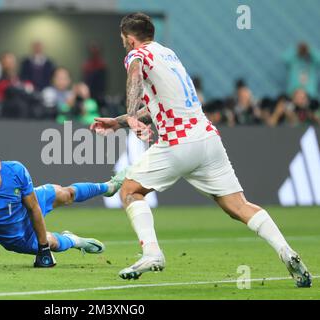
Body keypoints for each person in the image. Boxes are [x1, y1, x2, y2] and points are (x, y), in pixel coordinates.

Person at [90, 13, 312, 287]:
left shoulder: (138, 54)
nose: (124, 45)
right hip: (208, 140)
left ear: (130, 39)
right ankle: (285, 251)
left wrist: (131, 113)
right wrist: (120, 122)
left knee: (130, 190)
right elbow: (161, 107)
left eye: (124, 41)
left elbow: (134, 73)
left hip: (178, 142)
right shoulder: (168, 55)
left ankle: (152, 253)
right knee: (238, 206)